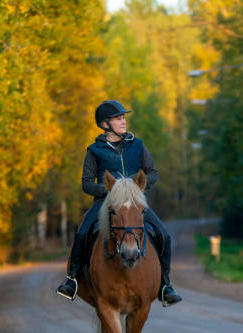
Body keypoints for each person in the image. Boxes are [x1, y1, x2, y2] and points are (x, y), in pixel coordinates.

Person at [56, 100, 183, 307]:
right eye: (118, 119)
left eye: (123, 118)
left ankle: (165, 285)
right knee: (82, 233)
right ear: (105, 124)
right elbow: (87, 184)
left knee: (164, 235)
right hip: (106, 202)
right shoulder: (94, 150)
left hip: (134, 201)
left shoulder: (138, 145)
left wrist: (137, 187)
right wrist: (110, 189)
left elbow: (152, 172)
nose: (123, 122)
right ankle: (71, 280)